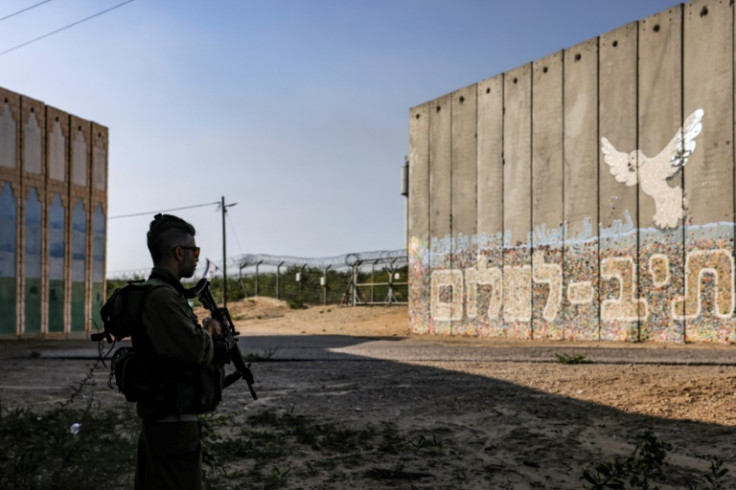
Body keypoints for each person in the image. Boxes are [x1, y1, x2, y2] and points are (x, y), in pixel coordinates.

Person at [134, 213, 224, 490]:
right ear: (178, 252)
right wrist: (210, 330)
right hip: (172, 429)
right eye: (194, 250)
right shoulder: (162, 297)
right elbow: (197, 350)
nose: (197, 257)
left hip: (168, 424)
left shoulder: (165, 294)